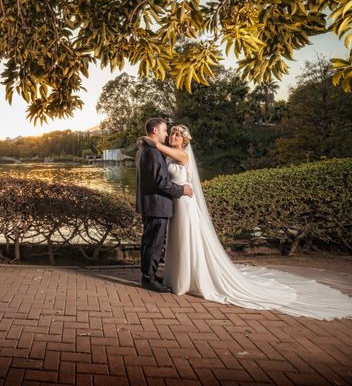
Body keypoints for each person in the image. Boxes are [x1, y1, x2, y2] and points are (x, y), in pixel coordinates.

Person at [140, 124, 352, 320]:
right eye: (172, 132)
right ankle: (174, 276)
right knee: (176, 242)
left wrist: (148, 138)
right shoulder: (167, 156)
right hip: (173, 203)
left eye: (177, 134)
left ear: (185, 140)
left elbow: (157, 144)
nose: (172, 136)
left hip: (185, 204)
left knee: (187, 239)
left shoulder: (182, 154)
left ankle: (187, 279)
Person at [136, 118, 193, 293]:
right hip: (157, 203)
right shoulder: (152, 152)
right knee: (153, 243)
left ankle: (149, 275)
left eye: (174, 133)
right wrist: (182, 190)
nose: (167, 134)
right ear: (155, 131)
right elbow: (161, 182)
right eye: (165, 130)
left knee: (150, 241)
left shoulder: (145, 149)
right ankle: (149, 278)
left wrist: (145, 139)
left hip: (154, 203)